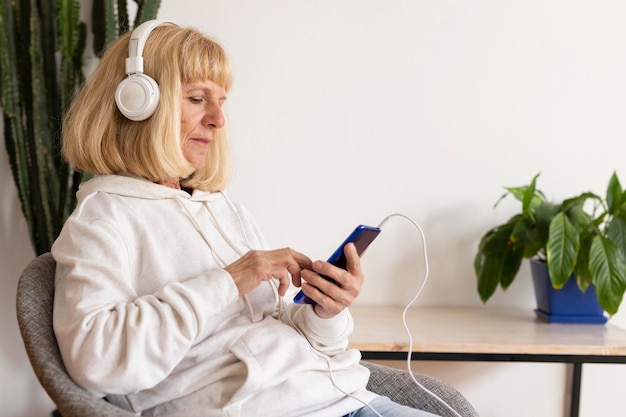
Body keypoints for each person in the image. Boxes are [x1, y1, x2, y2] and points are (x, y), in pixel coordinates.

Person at [51, 20, 441, 417]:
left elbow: (269, 328)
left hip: (344, 398)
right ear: (138, 101)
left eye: (222, 101)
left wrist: (325, 312)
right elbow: (96, 361)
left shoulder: (225, 211)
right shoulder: (102, 221)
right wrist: (230, 279)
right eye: (198, 99)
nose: (218, 120)